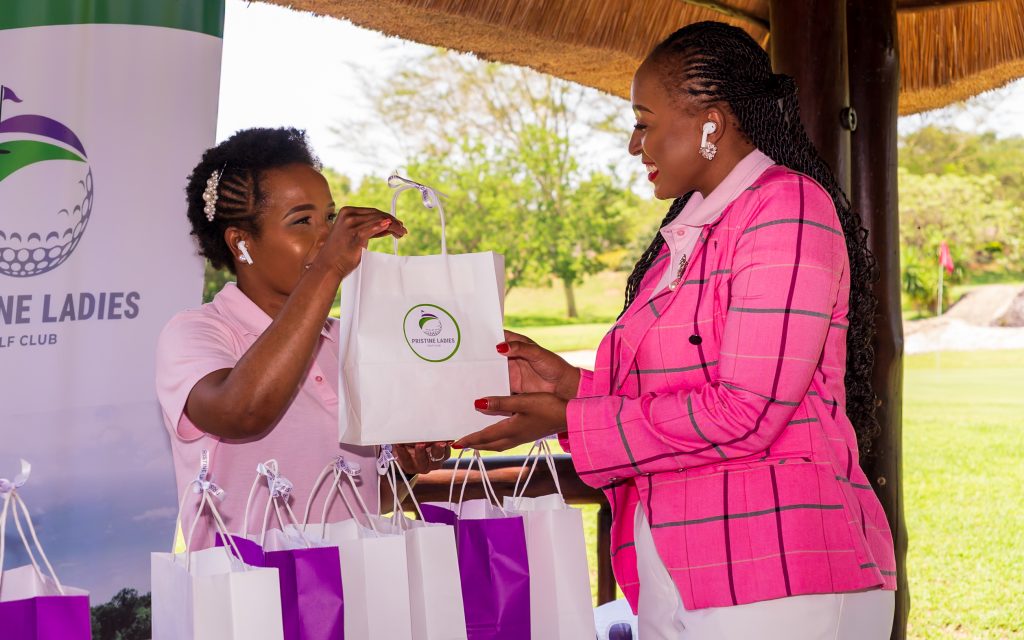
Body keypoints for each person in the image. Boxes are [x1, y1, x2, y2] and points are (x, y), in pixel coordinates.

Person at [456, 22, 896, 639]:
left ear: (711, 123)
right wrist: (573, 388)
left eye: (644, 122)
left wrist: (571, 418)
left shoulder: (787, 210)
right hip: (680, 567)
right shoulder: (687, 235)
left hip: (778, 575)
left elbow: (747, 410)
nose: (634, 145)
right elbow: (677, 398)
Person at [156, 127, 449, 547]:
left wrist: (406, 465)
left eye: (329, 218)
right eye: (302, 221)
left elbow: (368, 498)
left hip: (357, 577)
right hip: (251, 585)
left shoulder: (349, 340)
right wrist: (329, 269)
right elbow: (242, 412)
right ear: (241, 243)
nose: (326, 237)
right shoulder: (196, 333)